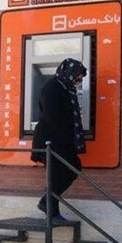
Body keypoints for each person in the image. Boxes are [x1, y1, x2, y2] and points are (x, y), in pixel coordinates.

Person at [30, 57, 87, 221]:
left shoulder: (66, 88)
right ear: (69, 73)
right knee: (60, 173)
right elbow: (52, 117)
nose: (78, 82)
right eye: (77, 78)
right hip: (50, 140)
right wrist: (65, 138)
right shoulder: (52, 88)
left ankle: (48, 205)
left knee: (70, 169)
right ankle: (50, 209)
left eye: (80, 79)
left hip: (61, 140)